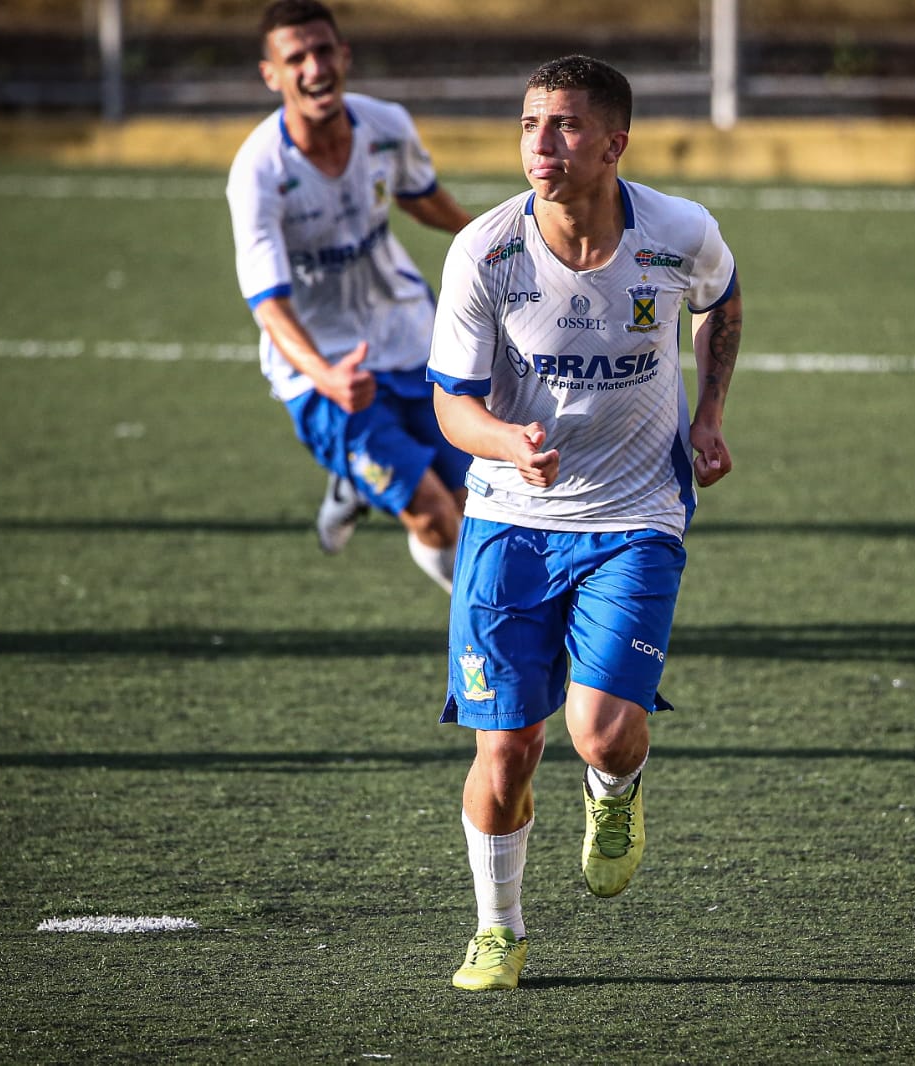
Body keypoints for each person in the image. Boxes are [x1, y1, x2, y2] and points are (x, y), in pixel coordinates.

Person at [426, 54, 743, 990]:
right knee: (508, 746)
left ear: (614, 144)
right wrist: (504, 442)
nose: (540, 143)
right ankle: (499, 932)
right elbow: (451, 406)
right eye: (530, 124)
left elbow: (720, 303)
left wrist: (711, 416)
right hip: (508, 521)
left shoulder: (678, 232)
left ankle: (615, 788)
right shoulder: (485, 250)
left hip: (636, 513)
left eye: (563, 126)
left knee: (600, 733)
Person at [226, 0, 472, 591]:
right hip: (326, 372)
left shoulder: (386, 127)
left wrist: (489, 239)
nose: (314, 67)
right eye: (296, 57)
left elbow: (420, 194)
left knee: (481, 507)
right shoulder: (259, 171)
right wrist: (326, 377)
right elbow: (268, 303)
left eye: (323, 51)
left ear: (344, 56)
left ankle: (353, 483)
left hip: (414, 338)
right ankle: (488, 637)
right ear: (273, 75)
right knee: (438, 518)